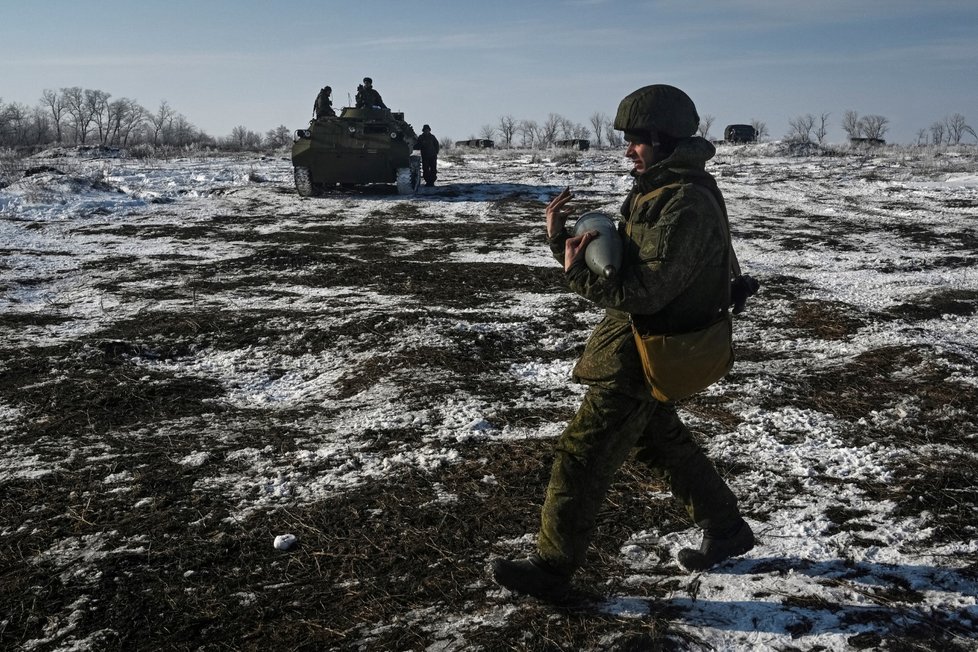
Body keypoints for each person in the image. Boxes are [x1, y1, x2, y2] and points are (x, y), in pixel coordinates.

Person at [491, 84, 755, 600]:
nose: (628, 149)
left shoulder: (682, 203)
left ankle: (552, 569)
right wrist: (563, 242)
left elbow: (645, 291)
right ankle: (727, 529)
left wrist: (575, 274)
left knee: (582, 456)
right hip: (640, 344)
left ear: (663, 140)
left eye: (636, 140)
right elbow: (630, 268)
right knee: (660, 442)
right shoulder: (660, 190)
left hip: (646, 351)